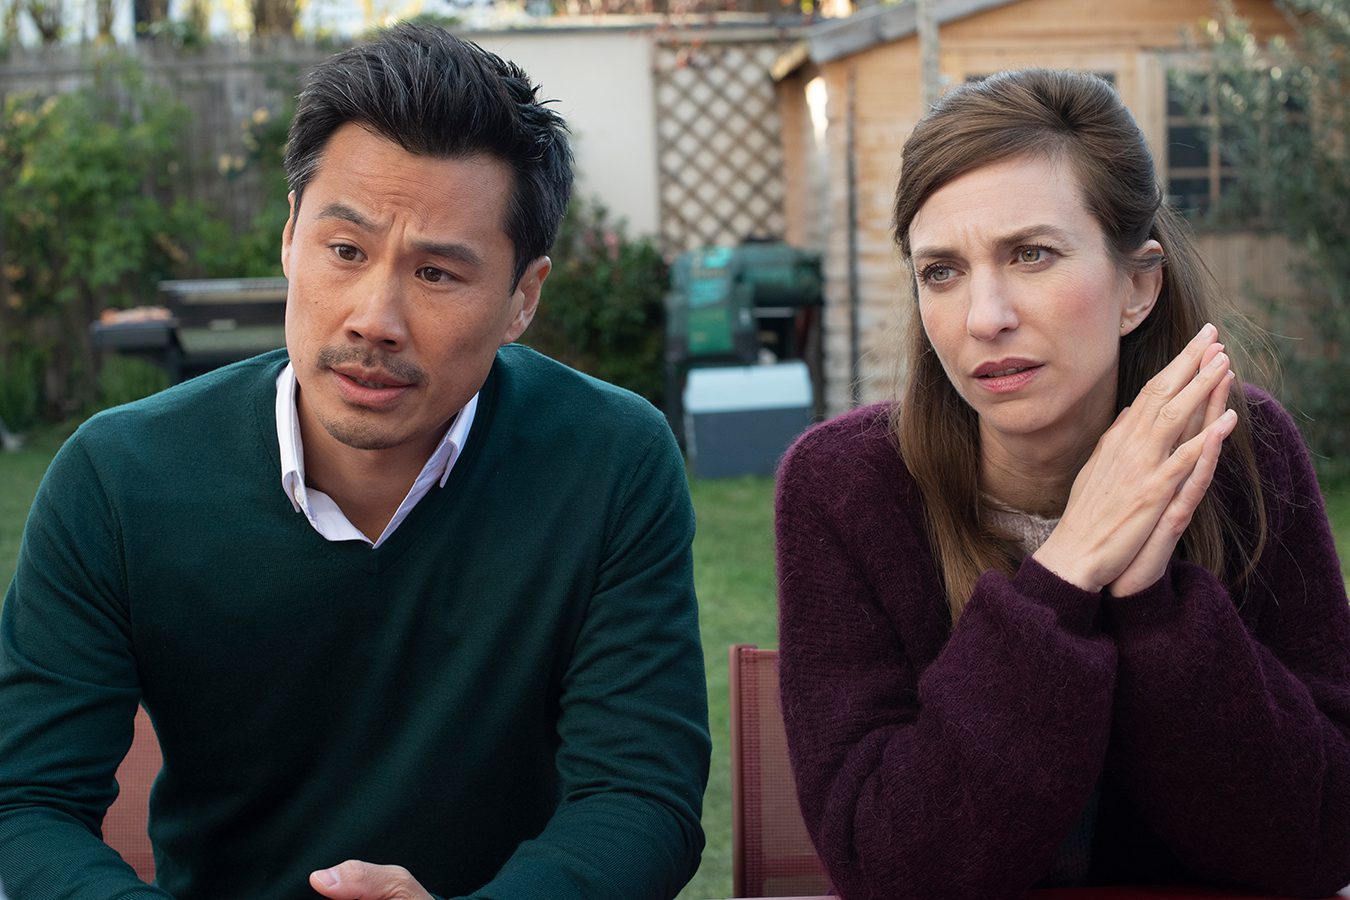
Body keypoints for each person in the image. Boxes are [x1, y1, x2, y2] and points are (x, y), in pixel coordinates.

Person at [0, 24, 710, 900]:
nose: (375, 318)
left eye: (437, 273)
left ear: (522, 299)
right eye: (345, 250)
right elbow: (27, 801)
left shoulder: (610, 461)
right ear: (289, 238)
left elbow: (641, 794)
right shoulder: (118, 479)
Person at [775, 68, 1350, 900]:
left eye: (1031, 254)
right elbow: (893, 870)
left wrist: (1154, 606)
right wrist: (1067, 569)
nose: (985, 317)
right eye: (942, 271)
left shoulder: (1240, 454)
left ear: (1137, 286)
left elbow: (1319, 843)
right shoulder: (844, 487)